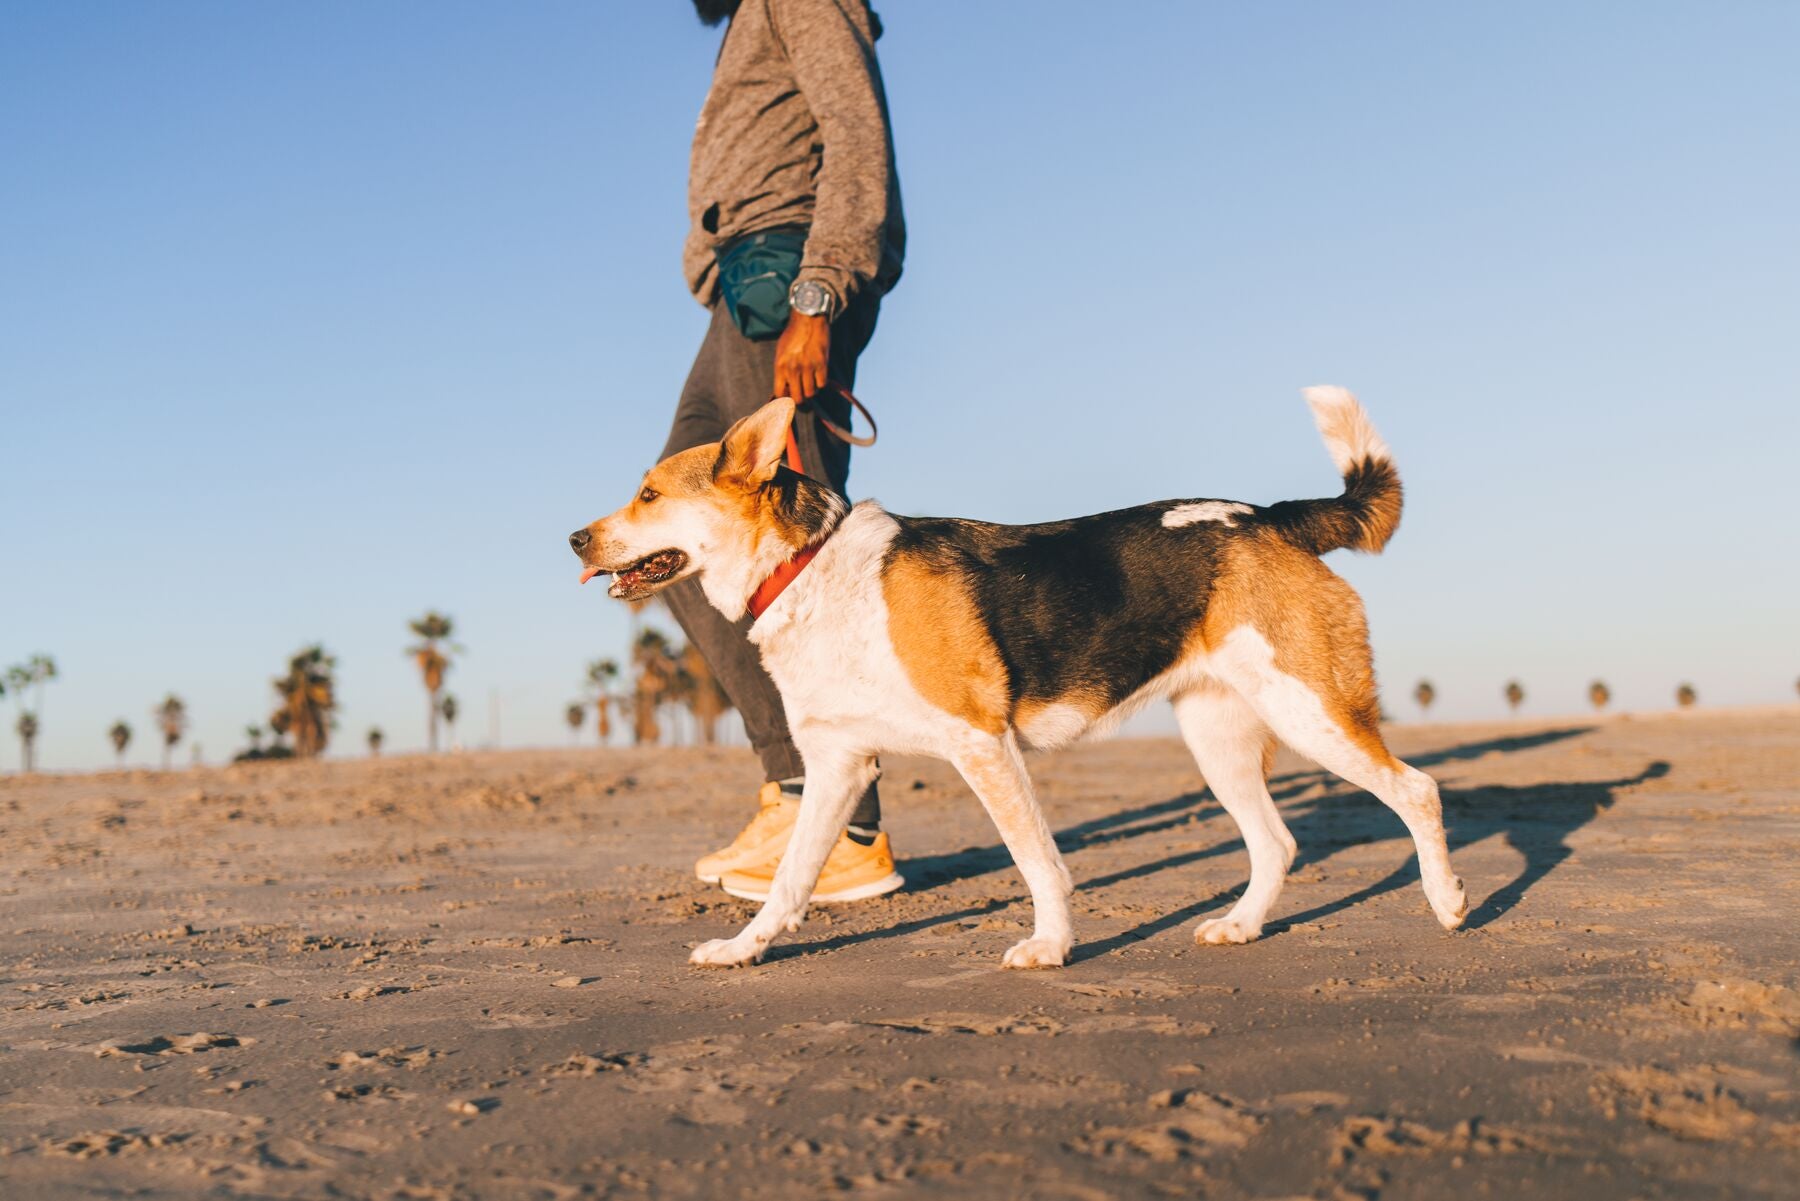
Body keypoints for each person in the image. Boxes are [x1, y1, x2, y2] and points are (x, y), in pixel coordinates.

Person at [663, 0, 906, 903]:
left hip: (788, 277)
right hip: (741, 289)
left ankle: (848, 824)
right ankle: (797, 787)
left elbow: (856, 134)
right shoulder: (747, 16)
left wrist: (819, 291)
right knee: (674, 536)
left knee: (799, 554)